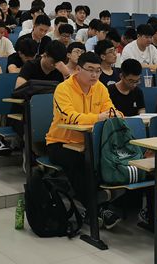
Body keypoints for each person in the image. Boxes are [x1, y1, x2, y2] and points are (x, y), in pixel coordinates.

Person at [46, 51, 122, 228]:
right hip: (60, 143)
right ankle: (96, 208)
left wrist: (113, 115)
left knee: (108, 159)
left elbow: (112, 111)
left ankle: (102, 204)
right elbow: (69, 117)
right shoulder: (63, 89)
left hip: (90, 143)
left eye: (98, 70)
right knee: (81, 162)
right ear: (78, 69)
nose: (94, 75)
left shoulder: (100, 88)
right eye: (90, 70)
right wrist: (98, 118)